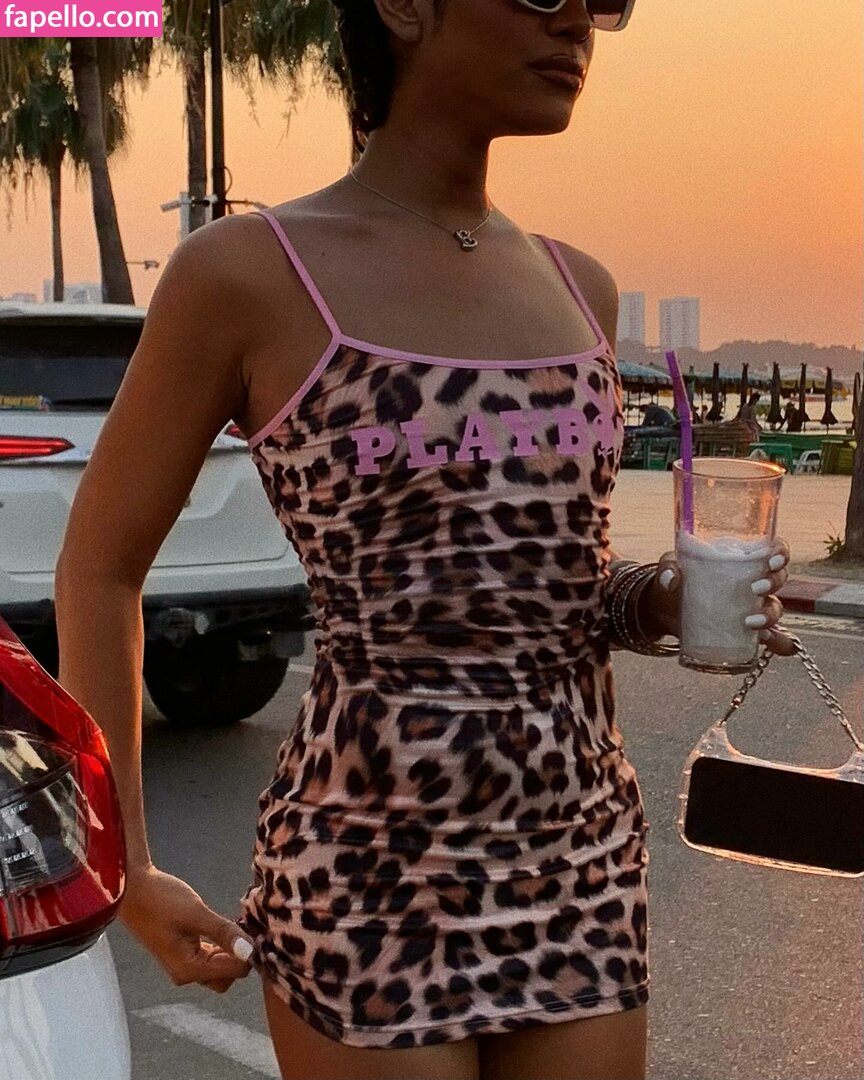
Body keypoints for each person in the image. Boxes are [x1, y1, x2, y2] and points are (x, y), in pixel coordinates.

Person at [53, 3, 796, 1078]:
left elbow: (550, 586)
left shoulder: (577, 284)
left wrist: (668, 602)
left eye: (604, 0)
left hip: (578, 857)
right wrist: (122, 859)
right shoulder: (249, 272)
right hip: (366, 871)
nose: (579, 25)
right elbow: (100, 565)